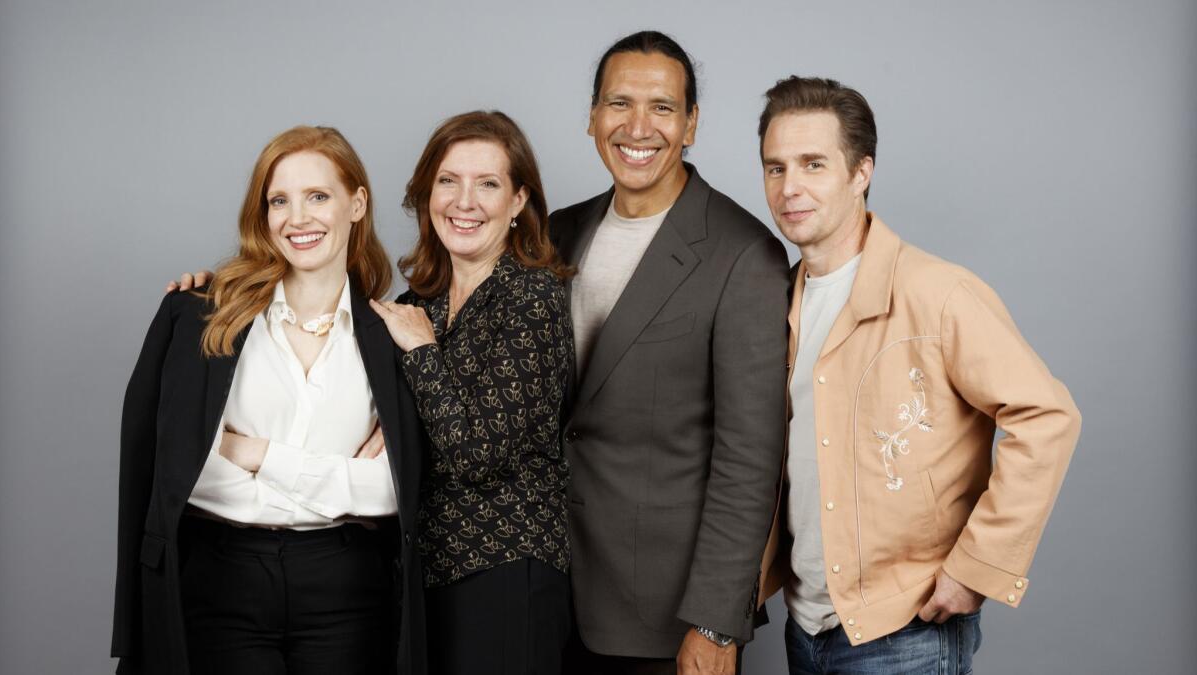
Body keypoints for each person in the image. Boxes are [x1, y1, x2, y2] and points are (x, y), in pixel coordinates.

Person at [753, 75, 1082, 674]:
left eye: (813, 164)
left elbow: (1048, 417)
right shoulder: (776, 302)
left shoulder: (938, 293)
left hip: (904, 630)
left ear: (861, 173)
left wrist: (976, 569)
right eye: (775, 168)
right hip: (804, 627)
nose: (790, 187)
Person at [112, 126, 428, 675]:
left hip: (350, 593)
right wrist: (337, 484)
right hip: (221, 583)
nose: (297, 218)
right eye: (279, 200)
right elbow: (183, 472)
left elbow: (395, 492)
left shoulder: (391, 336)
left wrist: (256, 454)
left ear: (357, 204)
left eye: (318, 197)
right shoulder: (197, 318)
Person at [551, 31, 790, 675]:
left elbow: (750, 458)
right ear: (593, 118)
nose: (637, 126)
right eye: (618, 103)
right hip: (545, 591)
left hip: (667, 615)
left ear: (691, 125)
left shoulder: (744, 255)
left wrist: (716, 621)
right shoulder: (554, 233)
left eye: (661, 107)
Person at [368, 110, 574, 674]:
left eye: (487, 184)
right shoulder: (415, 306)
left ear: (516, 202)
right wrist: (220, 289)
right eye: (448, 181)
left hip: (507, 573)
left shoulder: (533, 299)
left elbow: (475, 453)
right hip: (423, 576)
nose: (465, 202)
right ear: (425, 193)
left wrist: (421, 355)